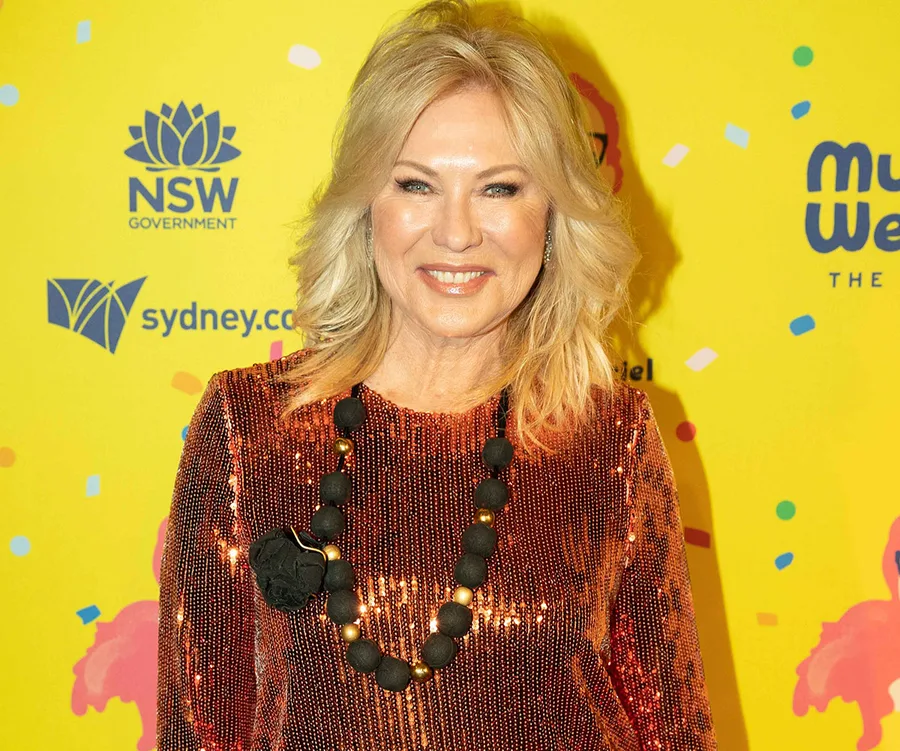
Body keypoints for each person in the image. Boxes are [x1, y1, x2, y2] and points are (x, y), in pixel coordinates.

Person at [156, 0, 718, 748]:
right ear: (365, 206)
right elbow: (199, 730)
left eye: (500, 188)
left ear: (554, 213)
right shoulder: (247, 423)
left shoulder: (611, 435)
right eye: (416, 185)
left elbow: (673, 730)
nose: (456, 233)